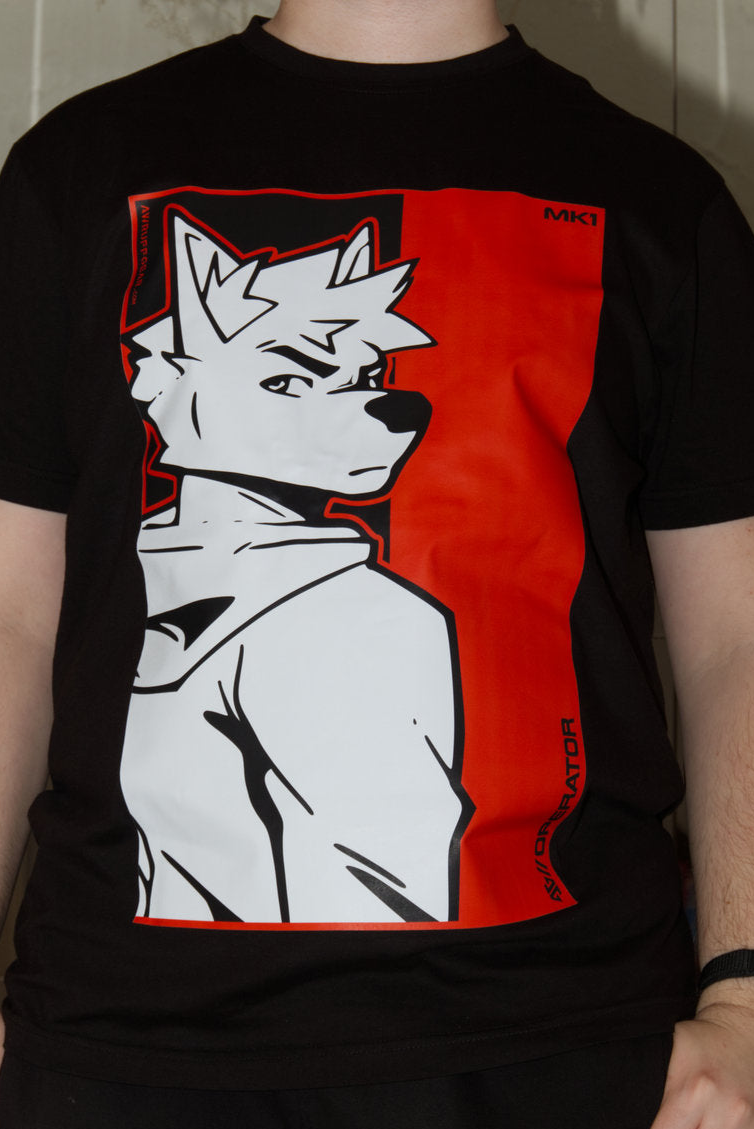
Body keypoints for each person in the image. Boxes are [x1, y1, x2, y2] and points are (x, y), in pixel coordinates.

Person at [1, 0, 754, 1124]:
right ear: (169, 377)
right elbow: (12, 620)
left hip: (552, 1044)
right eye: (293, 377)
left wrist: (743, 998)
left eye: (365, 379)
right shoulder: (78, 170)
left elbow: (733, 642)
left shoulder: (657, 198)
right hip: (112, 1046)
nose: (381, 412)